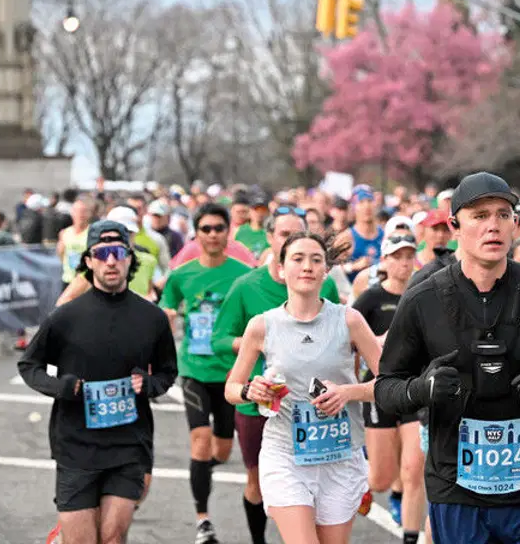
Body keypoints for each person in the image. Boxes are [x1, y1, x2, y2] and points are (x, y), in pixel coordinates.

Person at [376, 171, 520, 544]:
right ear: (455, 226)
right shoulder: (423, 298)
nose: (493, 226)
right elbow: (385, 388)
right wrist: (421, 390)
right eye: (480, 215)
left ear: (515, 224)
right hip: (457, 491)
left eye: (503, 215)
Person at [19, 219, 178, 544]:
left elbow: (167, 372)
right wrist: (61, 387)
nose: (110, 260)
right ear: (88, 261)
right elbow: (29, 365)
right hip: (75, 444)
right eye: (101, 252)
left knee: (112, 537)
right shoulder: (64, 317)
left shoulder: (152, 318)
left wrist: (149, 385)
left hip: (128, 444)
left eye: (118, 251)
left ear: (129, 258)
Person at [225, 232, 381, 544]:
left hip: (340, 454)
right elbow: (232, 386)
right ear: (281, 269)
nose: (307, 266)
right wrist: (250, 391)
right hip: (286, 456)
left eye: (316, 260)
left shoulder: (349, 320)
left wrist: (348, 393)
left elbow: (391, 383)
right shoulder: (261, 325)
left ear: (326, 270)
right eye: (297, 259)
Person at [212, 208, 342, 544]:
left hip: (323, 418)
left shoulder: (329, 292)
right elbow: (219, 339)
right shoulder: (246, 287)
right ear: (272, 242)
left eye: (298, 235)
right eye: (285, 237)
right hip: (265, 404)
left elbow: (345, 347)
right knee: (256, 482)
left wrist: (349, 391)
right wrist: (253, 347)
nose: (294, 244)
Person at [159, 204, 255, 544]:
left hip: (231, 374)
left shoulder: (245, 275)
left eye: (218, 228)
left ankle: (203, 472)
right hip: (195, 368)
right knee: (199, 441)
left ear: (228, 232)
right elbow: (166, 307)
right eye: (206, 229)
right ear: (196, 234)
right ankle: (203, 521)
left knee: (223, 450)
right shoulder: (181, 275)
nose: (212, 234)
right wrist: (167, 315)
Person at [354, 231, 428, 541]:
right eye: (397, 256)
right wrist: (374, 344)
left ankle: (411, 537)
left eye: (409, 256)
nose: (404, 263)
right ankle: (352, 485)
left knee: (414, 470)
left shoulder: (424, 293)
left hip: (415, 389)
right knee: (381, 479)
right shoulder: (371, 298)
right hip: (378, 390)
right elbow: (347, 339)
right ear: (385, 260)